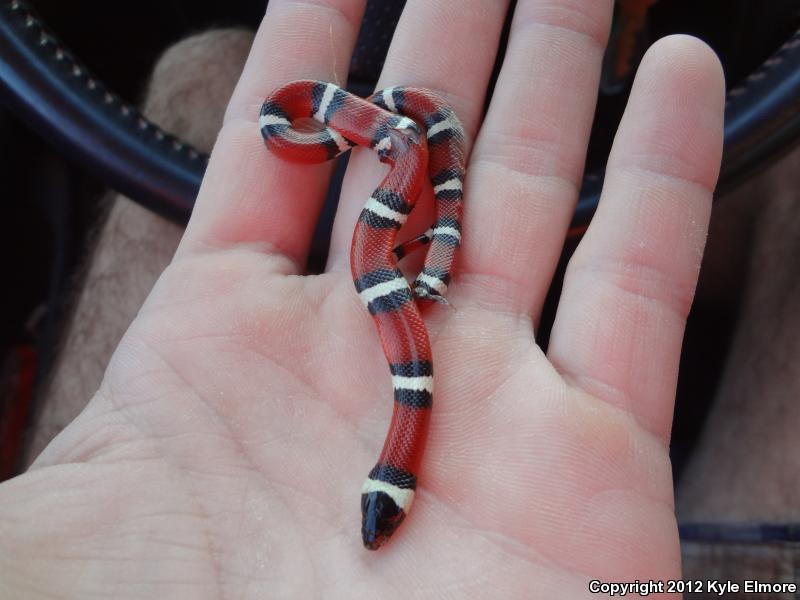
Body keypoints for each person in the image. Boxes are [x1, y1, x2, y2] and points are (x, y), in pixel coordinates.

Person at [2, 0, 745, 595]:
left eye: (379, 521)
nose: (377, 532)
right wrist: (385, 153)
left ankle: (406, 144)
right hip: (387, 160)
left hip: (389, 165)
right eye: (386, 521)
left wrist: (398, 164)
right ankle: (751, 575)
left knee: (195, 76)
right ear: (400, 482)